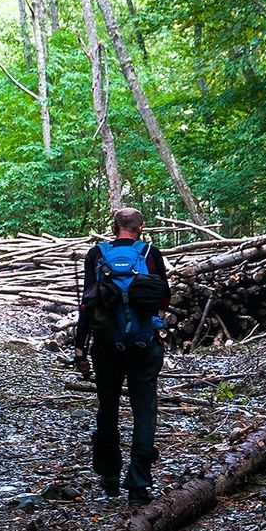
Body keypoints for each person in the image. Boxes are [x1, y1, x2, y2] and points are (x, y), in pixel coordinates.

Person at [73, 207, 170, 503]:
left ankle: (110, 476)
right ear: (141, 228)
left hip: (105, 346)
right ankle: (138, 485)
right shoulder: (150, 253)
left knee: (108, 407)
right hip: (144, 345)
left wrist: (79, 348)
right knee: (145, 411)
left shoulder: (96, 254)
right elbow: (164, 299)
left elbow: (87, 303)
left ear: (114, 228)